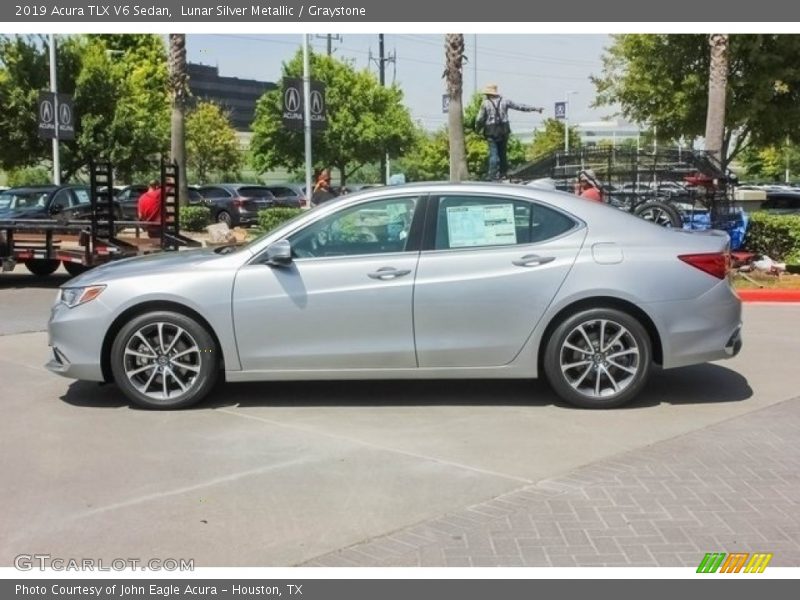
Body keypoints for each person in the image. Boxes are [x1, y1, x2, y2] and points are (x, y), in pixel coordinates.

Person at [475, 84, 544, 181]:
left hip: (491, 131)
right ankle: (503, 173)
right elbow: (519, 106)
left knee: (493, 154)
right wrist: (535, 109)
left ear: (488, 93)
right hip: (503, 130)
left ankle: (492, 175)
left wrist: (477, 129)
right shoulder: (505, 101)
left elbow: (480, 119)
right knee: (502, 153)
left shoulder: (485, 103)